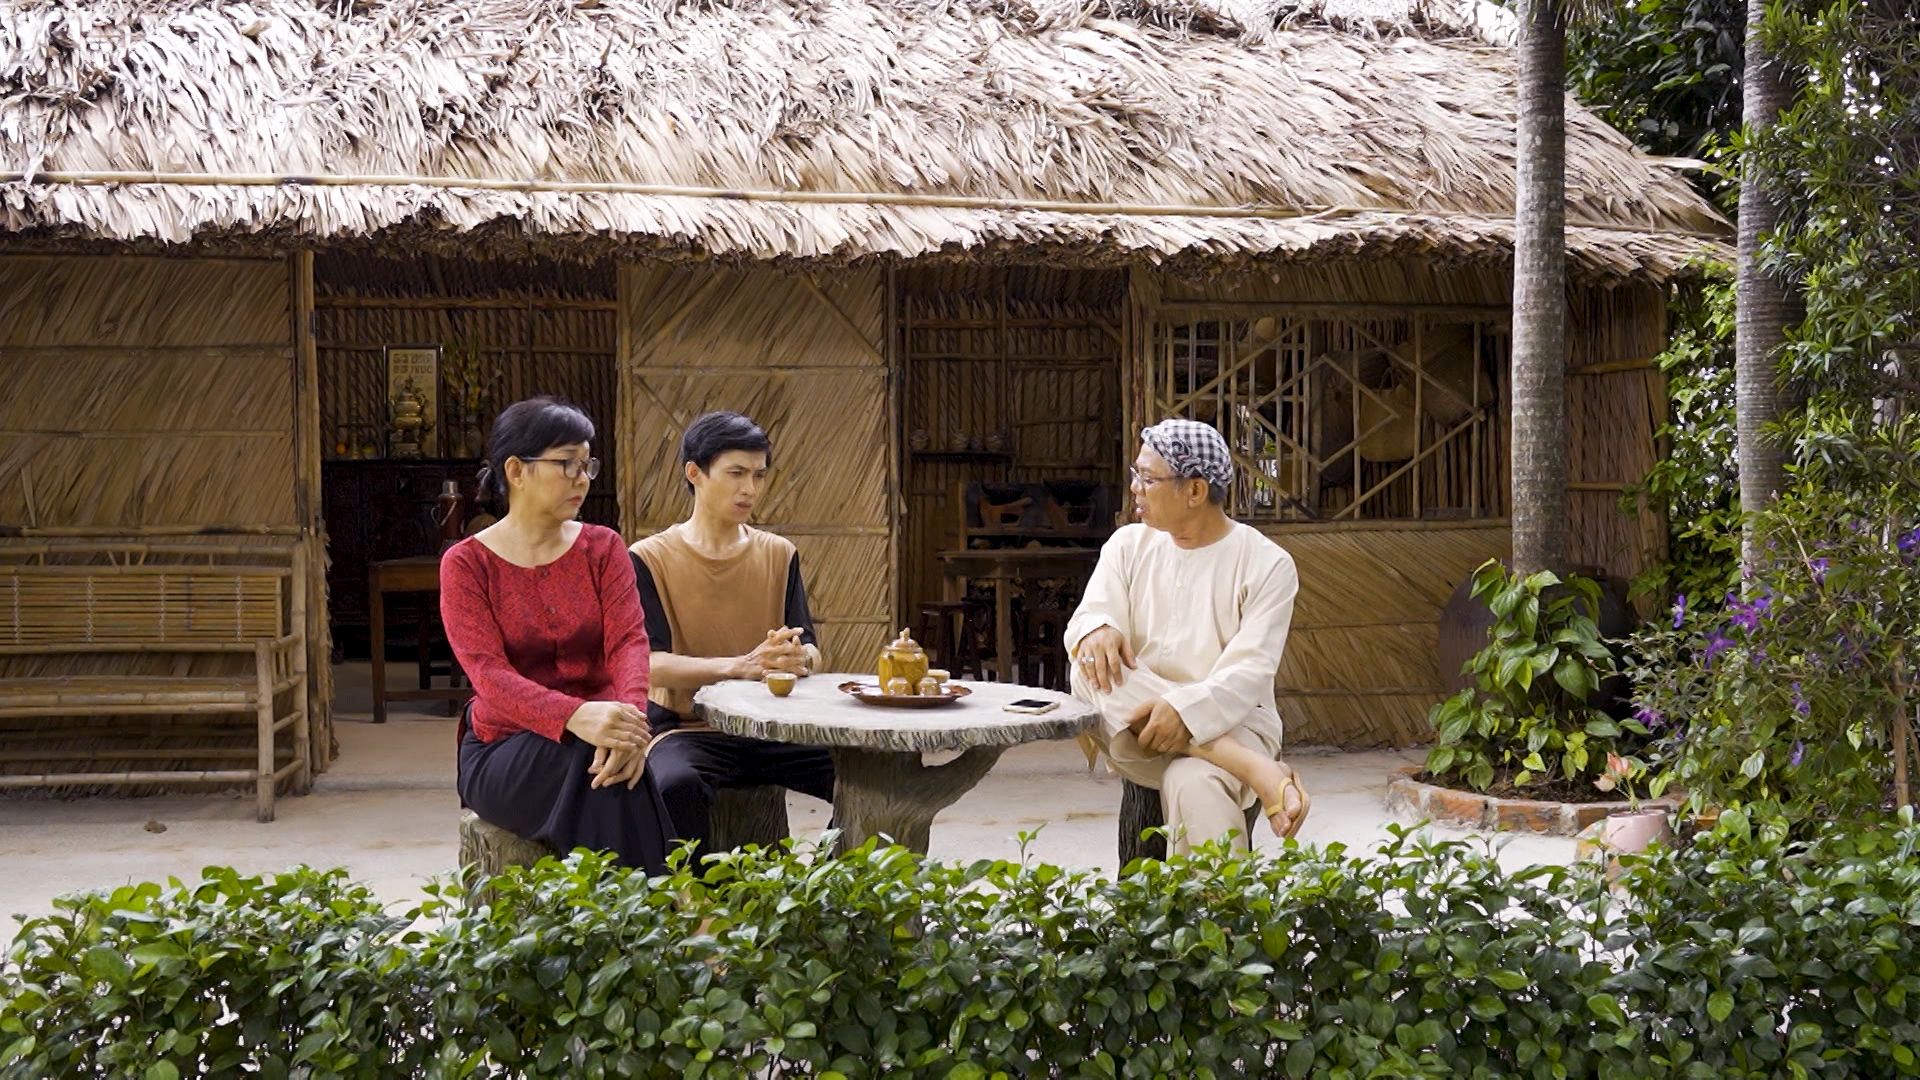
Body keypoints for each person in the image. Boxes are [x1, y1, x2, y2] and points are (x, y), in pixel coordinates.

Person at [441, 396, 675, 872]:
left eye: (587, 464)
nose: (582, 478)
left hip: (600, 738)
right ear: (516, 470)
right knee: (598, 765)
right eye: (566, 463)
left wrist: (626, 726)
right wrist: (577, 716)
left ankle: (635, 913)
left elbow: (630, 642)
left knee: (604, 765)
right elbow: (489, 677)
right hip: (502, 750)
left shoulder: (603, 547)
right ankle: (670, 901)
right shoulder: (467, 563)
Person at [1066, 417, 1312, 854]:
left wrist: (1184, 712)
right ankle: (1250, 768)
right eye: (1135, 475)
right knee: (1088, 668)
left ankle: (1222, 917)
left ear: (1195, 491)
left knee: (1193, 780)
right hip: (1137, 729)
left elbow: (1248, 672)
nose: (1135, 488)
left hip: (1235, 721)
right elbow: (1090, 616)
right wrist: (1098, 629)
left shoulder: (1267, 564)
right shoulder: (1127, 545)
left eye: (1147, 477)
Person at [629, 411, 836, 852]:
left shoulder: (779, 553)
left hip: (775, 728)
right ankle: (697, 909)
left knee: (865, 774)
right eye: (736, 473)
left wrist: (799, 660)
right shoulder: (649, 557)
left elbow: (812, 649)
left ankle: (837, 897)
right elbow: (649, 665)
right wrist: (739, 667)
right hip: (688, 730)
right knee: (674, 785)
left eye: (759, 475)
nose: (750, 489)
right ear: (694, 473)